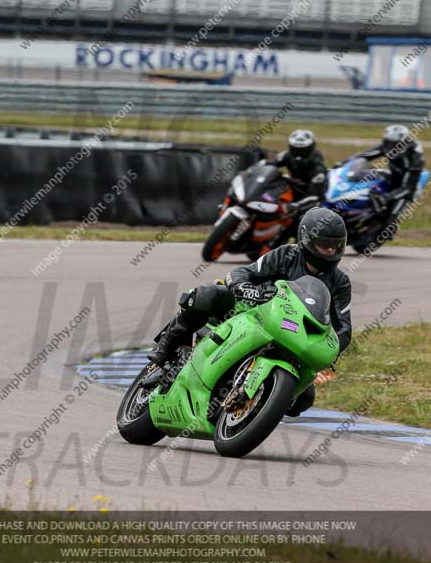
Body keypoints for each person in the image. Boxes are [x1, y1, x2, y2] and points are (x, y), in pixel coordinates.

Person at [148, 207, 351, 417]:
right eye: (324, 245)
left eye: (335, 247)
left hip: (294, 336)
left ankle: (254, 407)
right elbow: (244, 272)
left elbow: (343, 327)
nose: (330, 252)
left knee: (304, 399)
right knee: (206, 295)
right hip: (253, 312)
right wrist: (242, 286)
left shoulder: (340, 282)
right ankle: (164, 350)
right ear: (306, 239)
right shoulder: (286, 255)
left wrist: (330, 351)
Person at [358, 125, 424, 236]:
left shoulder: (414, 159)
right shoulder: (387, 146)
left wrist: (387, 198)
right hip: (392, 176)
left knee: (389, 226)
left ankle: (379, 234)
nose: (390, 147)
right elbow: (365, 155)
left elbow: (408, 188)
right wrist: (344, 164)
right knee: (363, 176)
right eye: (388, 142)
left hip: (406, 187)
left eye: (394, 144)